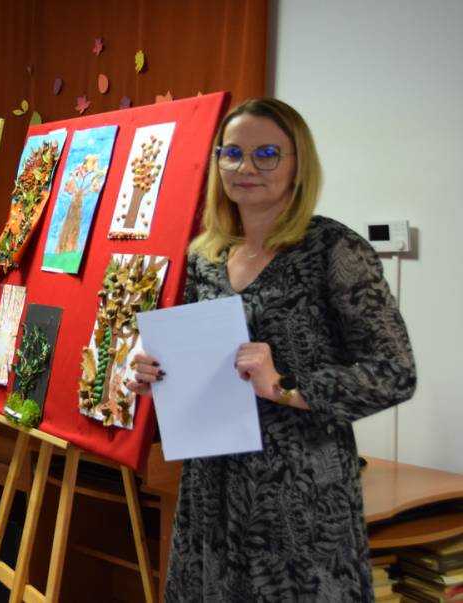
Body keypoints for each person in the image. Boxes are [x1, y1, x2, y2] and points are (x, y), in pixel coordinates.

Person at [128, 97, 417, 601]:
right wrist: (156, 374)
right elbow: (197, 364)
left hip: (301, 499)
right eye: (232, 153)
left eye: (267, 154)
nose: (246, 167)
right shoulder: (205, 258)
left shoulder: (334, 249)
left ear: (298, 165)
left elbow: (394, 373)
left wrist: (285, 386)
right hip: (213, 490)